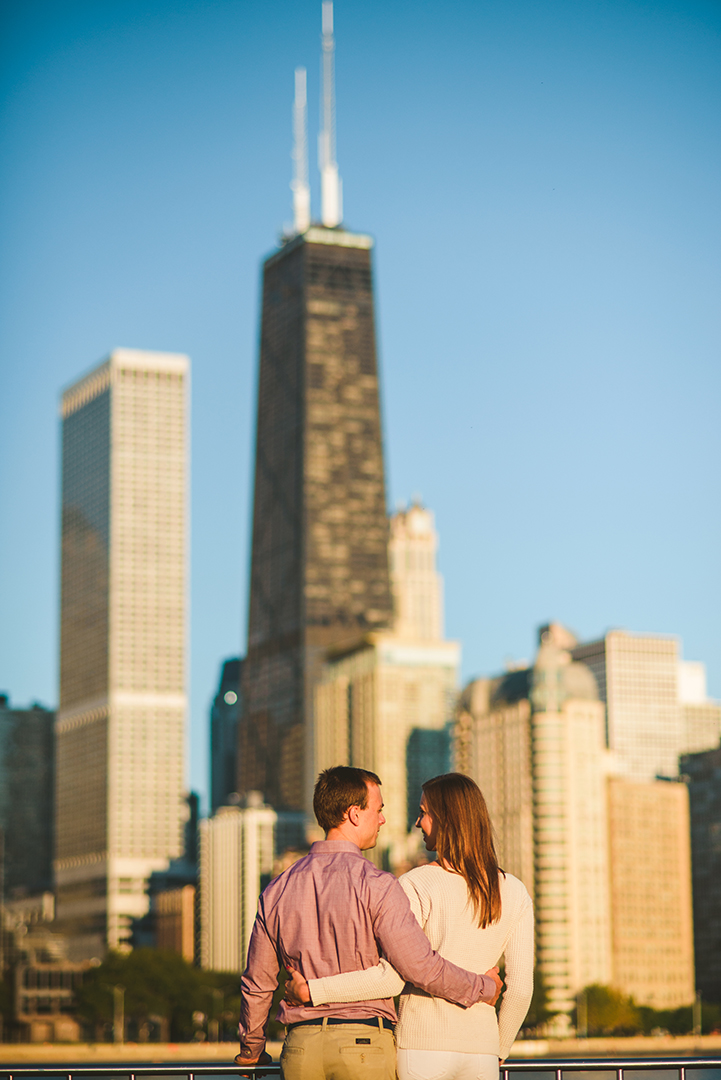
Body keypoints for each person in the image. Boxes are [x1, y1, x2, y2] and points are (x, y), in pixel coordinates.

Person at [236, 766, 503, 1080]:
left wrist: (251, 1051)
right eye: (377, 810)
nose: (382, 820)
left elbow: (257, 983)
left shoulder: (277, 889)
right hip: (365, 1047)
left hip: (301, 1048)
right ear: (353, 814)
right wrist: (483, 987)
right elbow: (420, 967)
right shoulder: (379, 885)